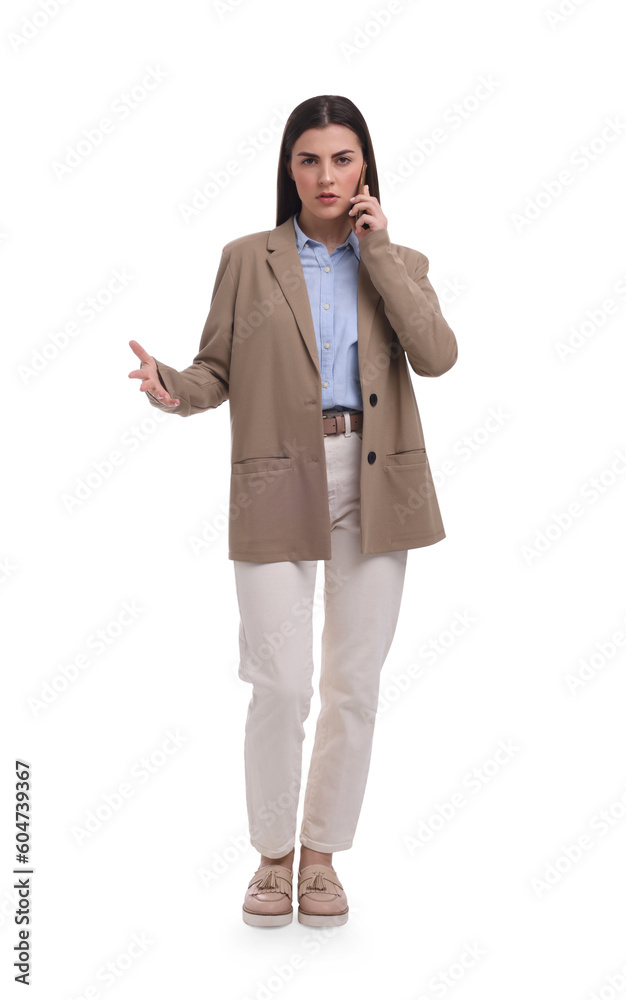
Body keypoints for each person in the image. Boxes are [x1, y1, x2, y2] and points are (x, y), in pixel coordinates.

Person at [128, 94, 458, 928]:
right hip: (279, 473)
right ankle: (272, 856)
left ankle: (321, 860)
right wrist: (173, 387)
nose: (325, 175)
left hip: (379, 480)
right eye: (309, 159)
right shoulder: (248, 259)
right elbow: (215, 370)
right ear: (289, 168)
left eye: (342, 158)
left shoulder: (401, 261)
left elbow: (439, 355)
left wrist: (379, 256)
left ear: (365, 169)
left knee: (355, 684)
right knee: (278, 681)